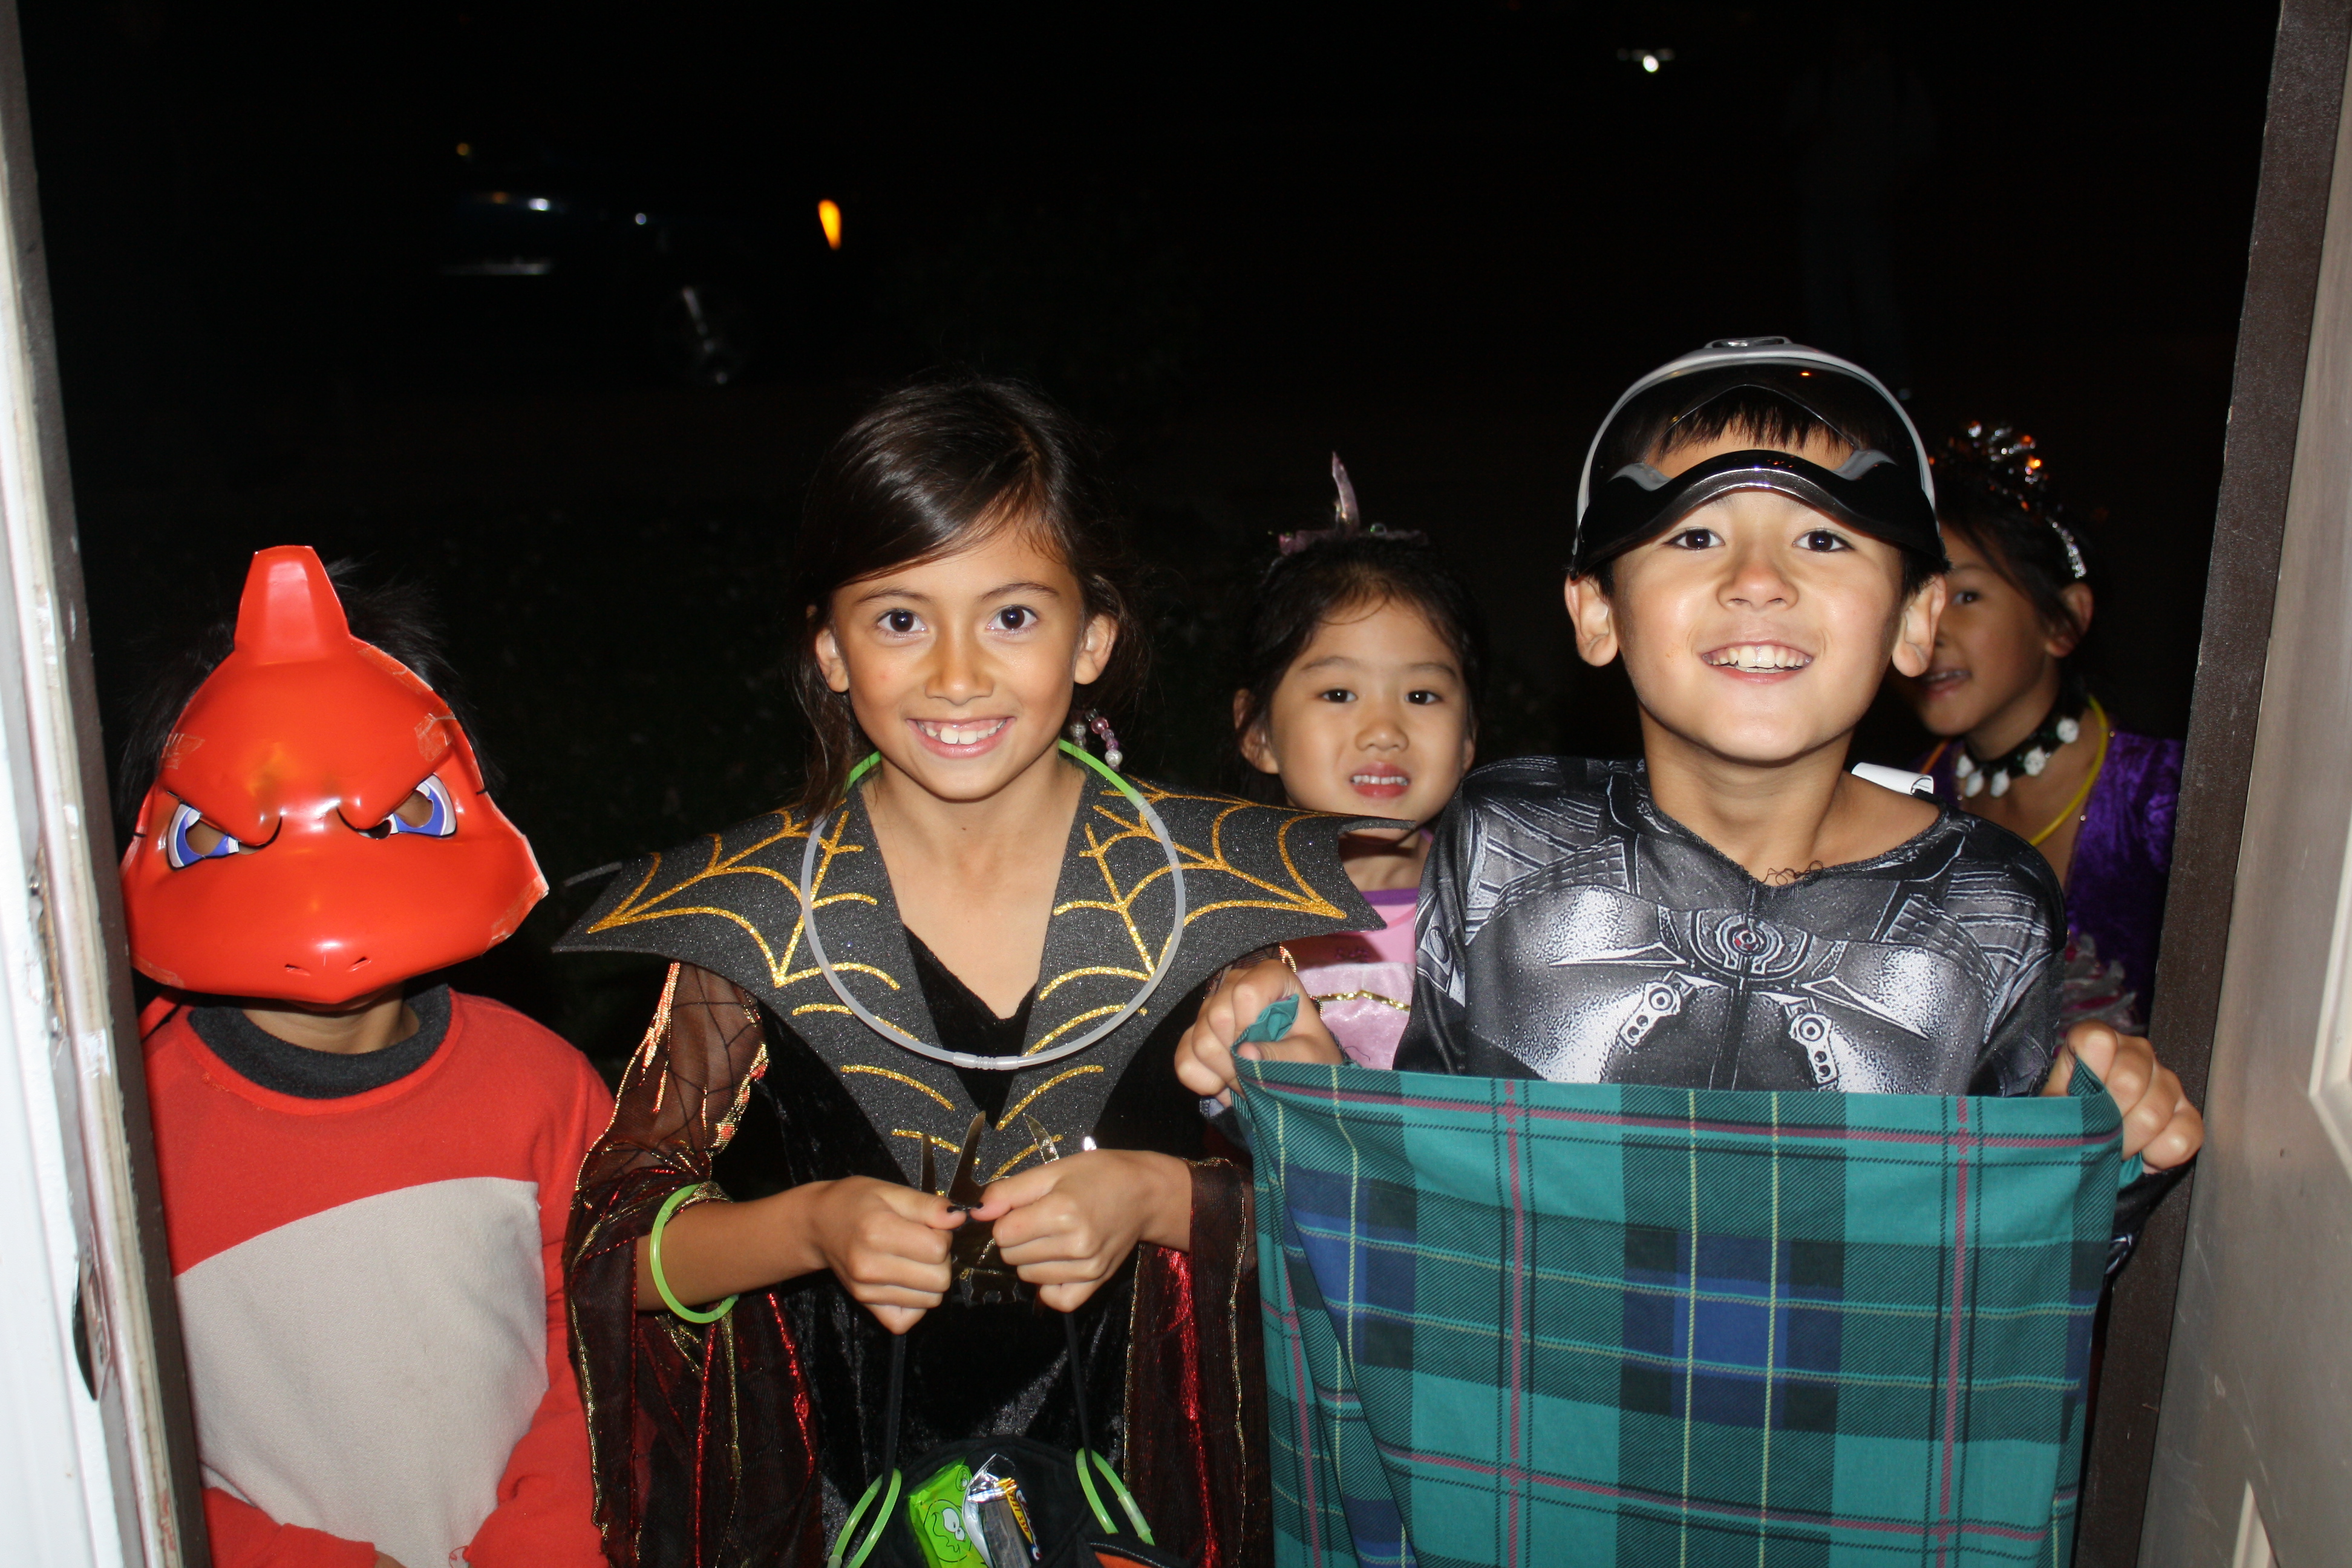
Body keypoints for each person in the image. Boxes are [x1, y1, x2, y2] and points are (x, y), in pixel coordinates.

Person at [554, 374, 1380, 1568]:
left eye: (1011, 616)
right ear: (830, 648)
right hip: (863, 1507)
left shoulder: (1203, 893)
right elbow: (617, 1257)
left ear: (1092, 636)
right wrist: (807, 1225)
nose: (954, 674)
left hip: (1151, 1499)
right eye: (899, 619)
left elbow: (1352, 1224)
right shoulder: (763, 914)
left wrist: (1158, 1200)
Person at [1179, 338, 2202, 1175]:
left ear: (1914, 618)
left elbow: (1994, 1261)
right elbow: (1435, 1188)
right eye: (1695, 536)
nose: (1757, 580)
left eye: (1825, 539)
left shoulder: (1988, 905)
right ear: (1596, 610)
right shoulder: (1507, 845)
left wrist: (2103, 1147)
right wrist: (1301, 1090)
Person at [119, 547, 609, 1568]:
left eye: (389, 815)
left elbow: (606, 1331)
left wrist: (543, 1542)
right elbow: (113, 1434)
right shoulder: (126, 1143)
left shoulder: (541, 1088)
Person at [1897, 421, 2179, 1031]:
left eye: (1966, 597)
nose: (1929, 627)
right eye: (1912, 598)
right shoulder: (1898, 804)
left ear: (2064, 622)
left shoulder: (2166, 797)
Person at [1228, 457, 1485, 1067]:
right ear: (1257, 731)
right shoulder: (1221, 914)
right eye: (1339, 694)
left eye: (1422, 696)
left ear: (1469, 738)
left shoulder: (1496, 915)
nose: (1384, 732)